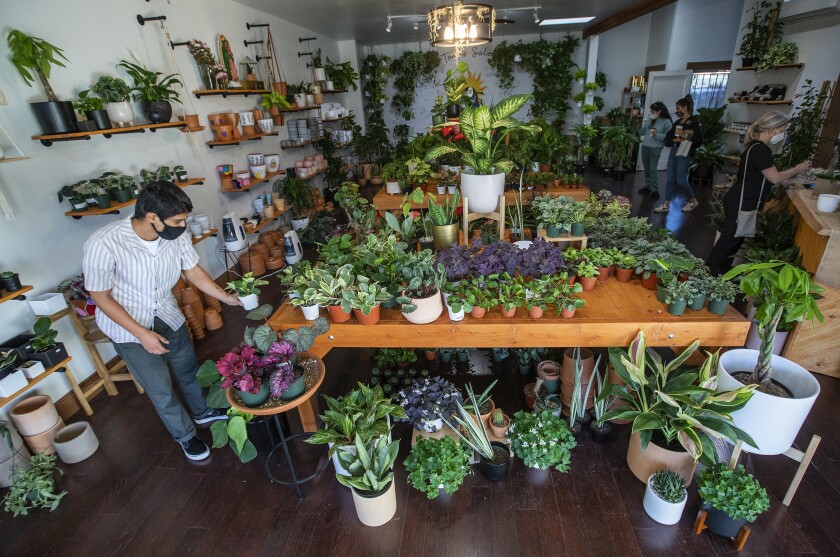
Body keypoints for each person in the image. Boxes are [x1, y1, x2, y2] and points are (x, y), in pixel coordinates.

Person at [83, 181, 242, 461]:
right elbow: (101, 297)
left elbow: (192, 271)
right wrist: (142, 334)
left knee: (188, 369)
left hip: (168, 314)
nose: (183, 226)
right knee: (160, 387)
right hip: (129, 328)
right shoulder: (104, 242)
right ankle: (185, 436)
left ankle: (202, 412)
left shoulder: (173, 235)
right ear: (152, 217)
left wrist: (227, 297)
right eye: (178, 220)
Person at [707, 111, 811, 275]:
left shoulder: (755, 147)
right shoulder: (761, 150)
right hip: (741, 201)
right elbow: (775, 177)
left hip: (744, 201)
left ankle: (723, 272)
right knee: (728, 240)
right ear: (772, 130)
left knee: (736, 240)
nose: (782, 135)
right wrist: (797, 169)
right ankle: (708, 272)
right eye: (782, 130)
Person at [654, 96, 704, 214]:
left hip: (685, 152)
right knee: (670, 179)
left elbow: (698, 141)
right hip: (674, 151)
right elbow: (668, 138)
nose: (676, 110)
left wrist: (686, 136)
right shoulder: (677, 122)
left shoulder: (694, 122)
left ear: (685, 108)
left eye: (678, 108)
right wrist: (674, 140)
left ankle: (692, 200)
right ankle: (666, 204)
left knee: (681, 180)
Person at [638, 101, 673, 200]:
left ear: (660, 111)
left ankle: (655, 190)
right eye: (651, 111)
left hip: (655, 148)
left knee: (653, 169)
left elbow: (668, 137)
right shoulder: (651, 118)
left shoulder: (667, 122)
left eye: (653, 111)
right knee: (647, 168)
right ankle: (648, 186)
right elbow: (643, 131)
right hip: (645, 146)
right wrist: (638, 128)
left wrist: (656, 135)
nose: (652, 113)